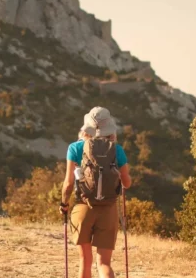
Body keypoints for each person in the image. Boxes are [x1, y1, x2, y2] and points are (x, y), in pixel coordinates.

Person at [60, 106, 132, 278]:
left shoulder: (75, 148)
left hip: (83, 207)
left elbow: (68, 183)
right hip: (108, 209)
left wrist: (64, 204)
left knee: (85, 260)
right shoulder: (117, 150)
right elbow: (127, 183)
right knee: (104, 263)